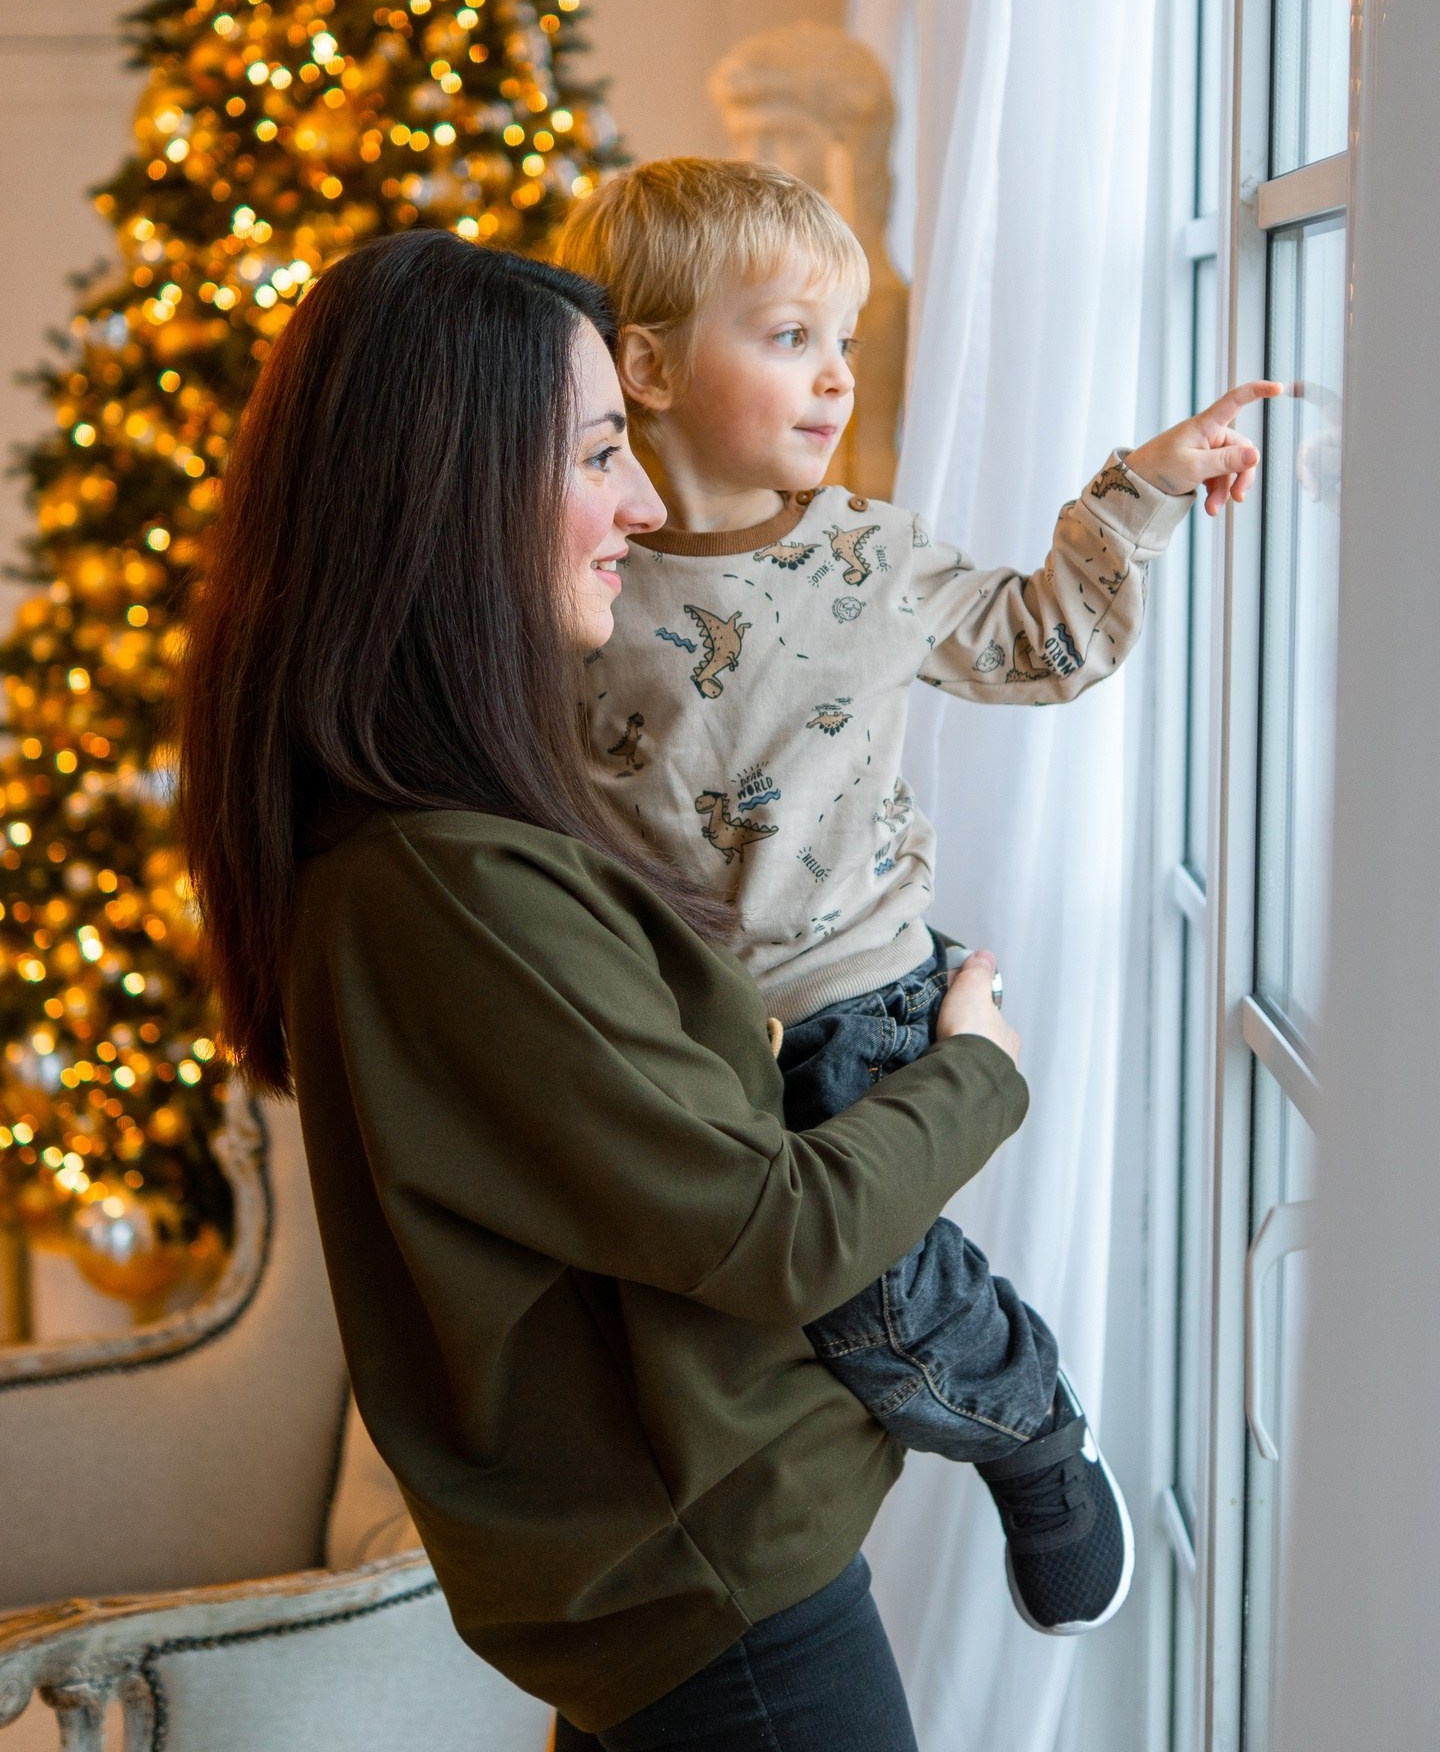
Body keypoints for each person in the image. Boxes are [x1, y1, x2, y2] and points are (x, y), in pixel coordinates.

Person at [177, 229, 1031, 1752]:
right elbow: (777, 1233)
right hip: (722, 1614)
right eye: (595, 454)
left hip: (689, 1604)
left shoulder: (440, 844)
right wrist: (977, 1067)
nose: (643, 501)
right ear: (452, 494)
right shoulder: (445, 885)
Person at [557, 158, 1278, 1636]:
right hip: (682, 1037)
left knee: (866, 1301)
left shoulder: (868, 558)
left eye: (848, 345)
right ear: (648, 365)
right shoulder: (579, 582)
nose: (834, 380)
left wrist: (1143, 488)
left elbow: (1043, 643)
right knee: (707, 1312)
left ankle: (1033, 1434)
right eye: (790, 338)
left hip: (860, 1000)